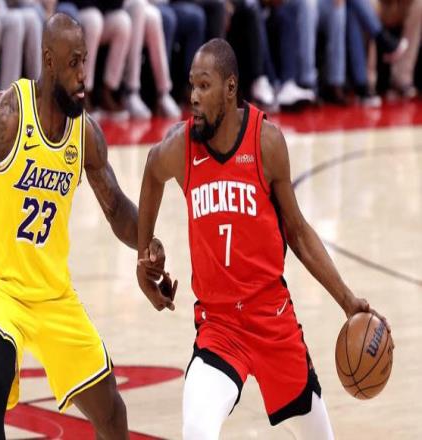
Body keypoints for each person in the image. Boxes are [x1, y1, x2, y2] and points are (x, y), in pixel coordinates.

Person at [0, 13, 166, 439]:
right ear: (49, 61)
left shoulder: (85, 133)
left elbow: (115, 208)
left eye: (85, 61)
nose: (83, 74)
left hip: (53, 293)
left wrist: (148, 244)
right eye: (73, 63)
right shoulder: (5, 117)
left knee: (112, 412)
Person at [136, 38, 391, 439]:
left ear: (230, 88)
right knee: (197, 428)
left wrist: (347, 301)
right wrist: (143, 256)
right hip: (219, 326)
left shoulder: (265, 142)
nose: (194, 97)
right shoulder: (182, 146)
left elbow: (298, 233)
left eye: (204, 86)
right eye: (192, 86)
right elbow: (152, 170)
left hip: (272, 321)